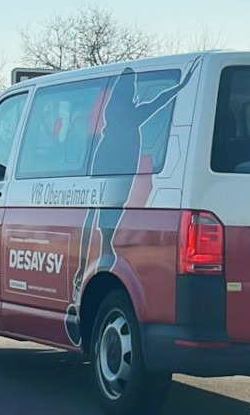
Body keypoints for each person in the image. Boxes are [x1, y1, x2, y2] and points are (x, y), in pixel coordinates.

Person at [64, 56, 200, 345]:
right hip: (120, 166)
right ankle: (99, 261)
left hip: (105, 162)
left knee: (94, 217)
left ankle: (83, 268)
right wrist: (182, 86)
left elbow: (159, 102)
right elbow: (160, 102)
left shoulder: (118, 111)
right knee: (106, 220)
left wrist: (182, 86)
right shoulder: (132, 112)